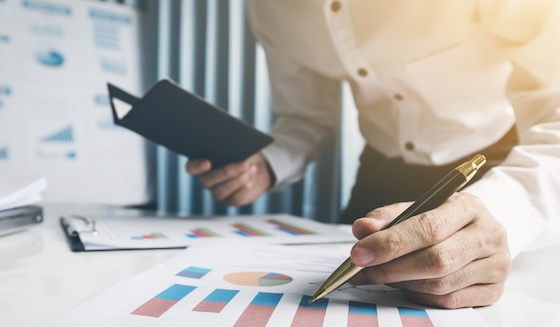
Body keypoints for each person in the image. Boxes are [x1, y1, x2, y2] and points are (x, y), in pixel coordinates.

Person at [186, 0, 560, 309]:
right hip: (379, 176)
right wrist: (265, 166)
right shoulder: (269, 9)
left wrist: (509, 208)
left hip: (497, 172)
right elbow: (305, 117)